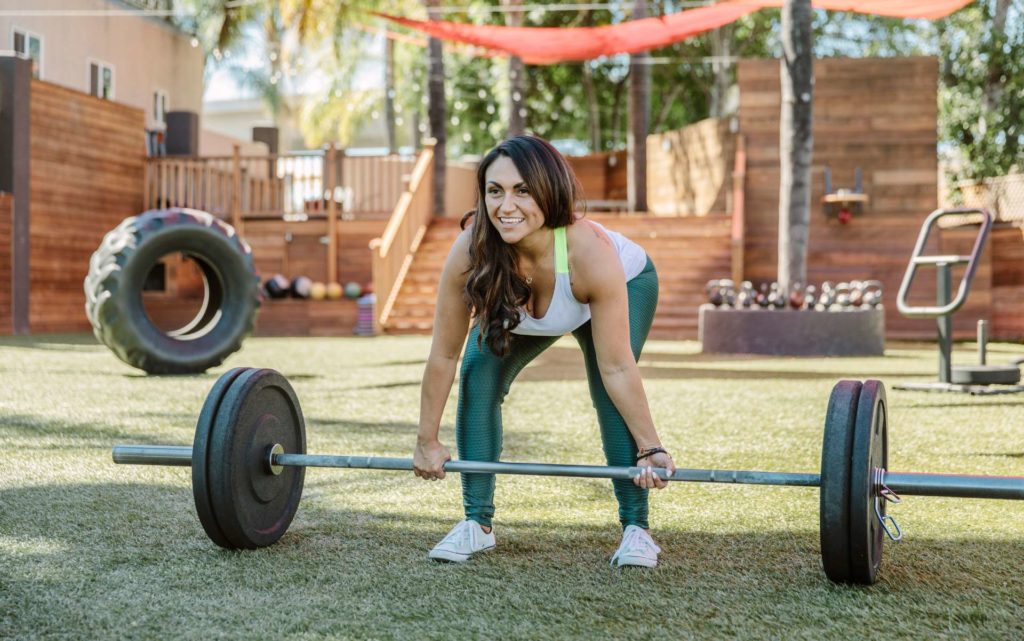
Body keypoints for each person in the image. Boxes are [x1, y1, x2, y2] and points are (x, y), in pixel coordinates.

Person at [412, 135, 676, 568]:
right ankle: (477, 525)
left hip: (624, 284)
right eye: (495, 191)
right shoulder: (472, 249)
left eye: (523, 190)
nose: (506, 205)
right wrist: (426, 440)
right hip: (529, 308)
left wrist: (650, 447)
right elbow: (443, 355)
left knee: (606, 389)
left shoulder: (588, 250)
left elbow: (617, 367)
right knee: (479, 375)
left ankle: (637, 529)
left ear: (548, 190)